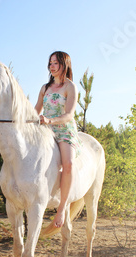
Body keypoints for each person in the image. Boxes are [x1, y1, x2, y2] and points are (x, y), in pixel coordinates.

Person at [35, 51, 81, 228]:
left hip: (63, 130)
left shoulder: (70, 87)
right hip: (45, 130)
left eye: (55, 63)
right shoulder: (44, 88)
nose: (51, 66)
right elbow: (36, 110)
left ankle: (62, 208)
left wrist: (50, 120)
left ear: (64, 65)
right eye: (50, 63)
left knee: (68, 163)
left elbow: (69, 115)